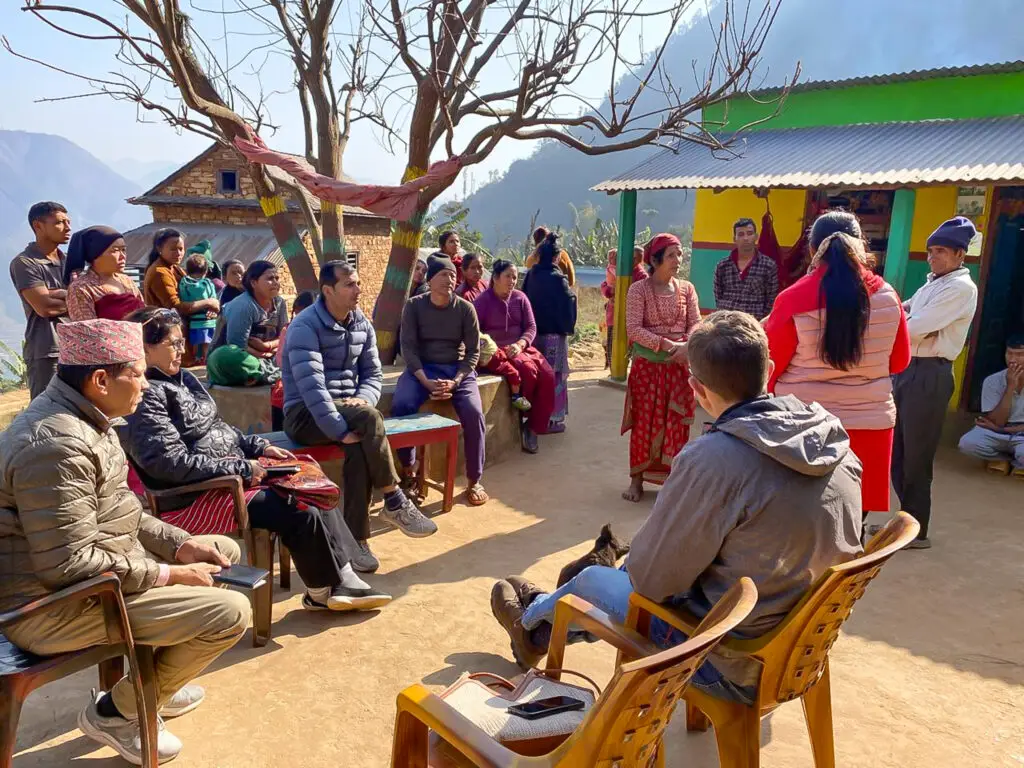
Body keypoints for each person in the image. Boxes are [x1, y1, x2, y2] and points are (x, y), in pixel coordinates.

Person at [491, 311, 864, 701]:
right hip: (800, 645)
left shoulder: (715, 458)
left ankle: (531, 623)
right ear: (768, 369)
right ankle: (539, 615)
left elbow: (650, 582)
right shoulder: (832, 438)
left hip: (725, 660)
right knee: (624, 571)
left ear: (697, 388)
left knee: (592, 582)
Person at [0, 318, 251, 764]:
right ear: (100, 380)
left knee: (221, 552)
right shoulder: (55, 445)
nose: (145, 382)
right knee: (230, 612)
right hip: (50, 605)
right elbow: (69, 564)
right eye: (136, 372)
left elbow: (123, 511)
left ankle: (152, 685)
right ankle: (117, 712)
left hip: (93, 578)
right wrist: (169, 573)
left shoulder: (88, 419)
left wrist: (178, 546)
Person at [119, 306, 392, 615]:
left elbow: (220, 428)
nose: (183, 350)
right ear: (145, 346)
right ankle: (321, 590)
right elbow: (168, 463)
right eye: (174, 343)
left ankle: (344, 576)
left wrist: (258, 446)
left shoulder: (183, 380)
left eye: (183, 342)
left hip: (227, 476)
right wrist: (243, 467)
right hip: (196, 495)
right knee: (297, 507)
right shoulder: (146, 396)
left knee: (311, 484)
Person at [282, 262, 437, 572]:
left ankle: (356, 540)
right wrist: (340, 429)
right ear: (328, 291)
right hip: (304, 414)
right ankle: (394, 499)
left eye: (358, 283)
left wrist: (363, 400)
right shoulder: (304, 327)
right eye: (350, 285)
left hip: (352, 411)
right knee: (366, 423)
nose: (359, 289)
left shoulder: (360, 323)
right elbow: (311, 389)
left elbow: (372, 373)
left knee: (360, 446)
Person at [764, 211, 911, 516]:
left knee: (803, 518)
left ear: (812, 249)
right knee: (854, 519)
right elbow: (899, 361)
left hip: (804, 426)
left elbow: (770, 365)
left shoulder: (793, 298)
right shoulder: (888, 296)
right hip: (871, 426)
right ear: (860, 247)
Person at [891, 216, 979, 549]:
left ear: (960, 254)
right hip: (908, 369)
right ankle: (905, 524)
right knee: (898, 452)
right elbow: (904, 314)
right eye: (930, 251)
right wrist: (907, 319)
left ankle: (917, 530)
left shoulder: (960, 288)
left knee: (917, 455)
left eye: (940, 251)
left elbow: (909, 326)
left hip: (930, 373)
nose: (932, 257)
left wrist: (907, 320)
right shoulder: (933, 283)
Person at [392, 255, 489, 506]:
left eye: (453, 275)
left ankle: (474, 479)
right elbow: (408, 348)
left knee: (474, 412)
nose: (450, 279)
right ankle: (409, 471)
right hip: (421, 370)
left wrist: (456, 381)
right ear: (431, 278)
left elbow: (473, 352)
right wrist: (424, 380)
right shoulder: (414, 306)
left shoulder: (465, 309)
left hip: (457, 371)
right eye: (444, 274)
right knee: (402, 404)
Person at [621, 233, 701, 502]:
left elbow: (696, 324)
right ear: (655, 260)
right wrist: (668, 346)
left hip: (679, 368)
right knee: (645, 423)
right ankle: (636, 480)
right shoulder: (638, 290)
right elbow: (633, 329)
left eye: (679, 254)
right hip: (648, 369)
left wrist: (687, 346)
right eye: (671, 255)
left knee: (677, 425)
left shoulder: (687, 289)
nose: (678, 260)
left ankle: (674, 483)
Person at [474, 259, 557, 453]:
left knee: (548, 375)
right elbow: (474, 331)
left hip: (521, 347)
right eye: (507, 276)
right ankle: (523, 418)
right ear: (495, 278)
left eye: (514, 277)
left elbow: (531, 327)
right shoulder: (481, 302)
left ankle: (533, 427)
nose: (512, 281)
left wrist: (521, 344)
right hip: (498, 351)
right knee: (528, 371)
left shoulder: (520, 298)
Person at [10, 201, 70, 399]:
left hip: (76, 345)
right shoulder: (25, 263)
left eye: (68, 221)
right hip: (47, 350)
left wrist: (58, 294)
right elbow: (45, 307)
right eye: (59, 223)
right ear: (38, 226)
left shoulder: (70, 261)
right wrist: (78, 299)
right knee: (47, 410)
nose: (68, 227)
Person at [523, 232, 577, 434]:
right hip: (554, 336)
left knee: (536, 375)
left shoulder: (530, 275)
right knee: (555, 377)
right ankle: (553, 419)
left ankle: (534, 416)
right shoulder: (558, 279)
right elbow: (569, 306)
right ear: (556, 257)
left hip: (533, 335)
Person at [143, 228, 220, 367]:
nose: (178, 253)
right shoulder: (160, 272)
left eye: (181, 249)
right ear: (159, 248)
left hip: (184, 332)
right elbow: (176, 306)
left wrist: (211, 309)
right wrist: (209, 302)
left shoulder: (175, 268)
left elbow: (195, 291)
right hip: (165, 336)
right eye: (173, 249)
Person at [207, 260, 287, 386]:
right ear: (254, 283)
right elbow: (237, 346)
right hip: (237, 359)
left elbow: (284, 336)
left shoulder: (280, 302)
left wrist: (267, 346)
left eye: (277, 278)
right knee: (228, 357)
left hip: (268, 357)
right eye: (270, 278)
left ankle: (263, 374)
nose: (276, 282)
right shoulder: (243, 305)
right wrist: (262, 354)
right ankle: (271, 373)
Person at [957, 335, 1024, 475]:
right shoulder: (993, 381)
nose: (1012, 360)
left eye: (1020, 355)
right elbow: (997, 421)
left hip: (1018, 435)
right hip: (996, 431)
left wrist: (1002, 430)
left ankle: (1017, 462)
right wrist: (1010, 388)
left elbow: (996, 425)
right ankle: (1004, 460)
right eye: (1009, 353)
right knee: (968, 443)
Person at [65, 226, 145, 321]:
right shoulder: (81, 288)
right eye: (115, 250)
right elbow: (86, 329)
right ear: (95, 254)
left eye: (123, 250)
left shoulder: (126, 280)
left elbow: (144, 313)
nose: (122, 256)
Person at [713, 217, 779, 319]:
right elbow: (718, 297)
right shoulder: (722, 266)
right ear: (734, 239)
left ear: (756, 236)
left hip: (753, 325)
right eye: (741, 234)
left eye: (749, 233)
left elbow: (771, 301)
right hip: (725, 324)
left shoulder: (768, 266)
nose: (745, 238)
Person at [272, 291, 316, 429]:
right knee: (279, 397)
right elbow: (281, 361)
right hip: (291, 381)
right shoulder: (289, 330)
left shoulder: (324, 331)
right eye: (298, 314)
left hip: (314, 382)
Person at [600, 246, 647, 368]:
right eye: (632, 258)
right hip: (613, 314)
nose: (633, 261)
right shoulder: (617, 269)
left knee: (627, 346)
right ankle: (613, 370)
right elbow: (605, 286)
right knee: (612, 343)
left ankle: (623, 369)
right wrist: (611, 290)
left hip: (631, 317)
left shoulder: (641, 275)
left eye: (637, 259)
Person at [178, 253, 218, 364]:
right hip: (208, 320)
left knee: (196, 344)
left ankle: (196, 359)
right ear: (205, 271)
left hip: (194, 321)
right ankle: (206, 361)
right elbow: (214, 300)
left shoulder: (184, 282)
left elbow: (183, 299)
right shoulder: (208, 283)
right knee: (207, 344)